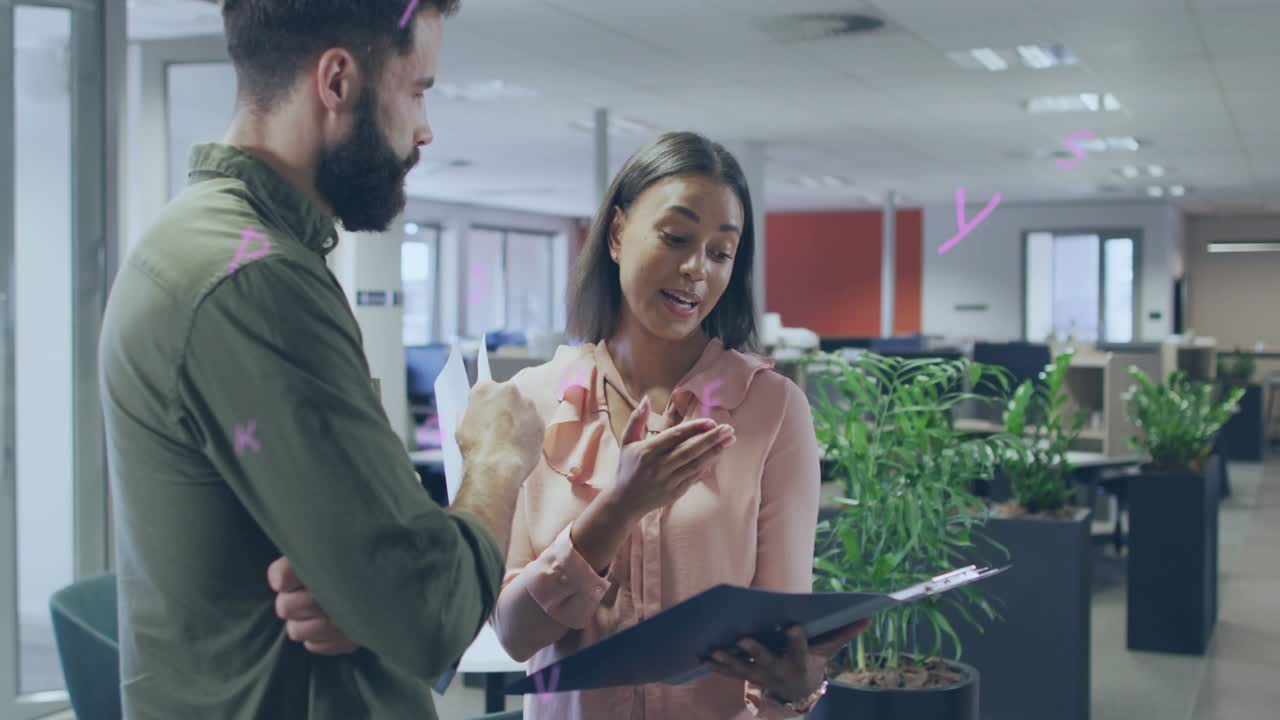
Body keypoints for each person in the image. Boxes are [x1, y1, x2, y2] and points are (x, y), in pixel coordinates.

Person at [271, 132, 867, 718]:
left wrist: (795, 684)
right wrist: (619, 507)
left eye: (720, 252)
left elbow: (783, 645)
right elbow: (513, 633)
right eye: (677, 237)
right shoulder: (529, 404)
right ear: (615, 234)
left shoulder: (771, 409)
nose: (696, 270)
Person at [97, 1, 545, 718]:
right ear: (337, 81)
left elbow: (380, 580)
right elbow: (429, 609)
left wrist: (365, 587)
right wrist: (497, 461)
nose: (425, 129)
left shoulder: (205, 247)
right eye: (419, 88)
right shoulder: (252, 278)